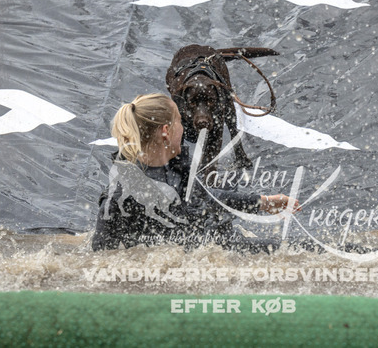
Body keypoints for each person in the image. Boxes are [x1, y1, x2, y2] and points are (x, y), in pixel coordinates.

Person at [91, 93, 298, 254]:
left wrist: (263, 202)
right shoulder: (119, 197)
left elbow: (209, 198)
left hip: (224, 246)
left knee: (299, 247)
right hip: (206, 261)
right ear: (166, 131)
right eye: (180, 121)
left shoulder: (176, 167)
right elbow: (100, 261)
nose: (184, 128)